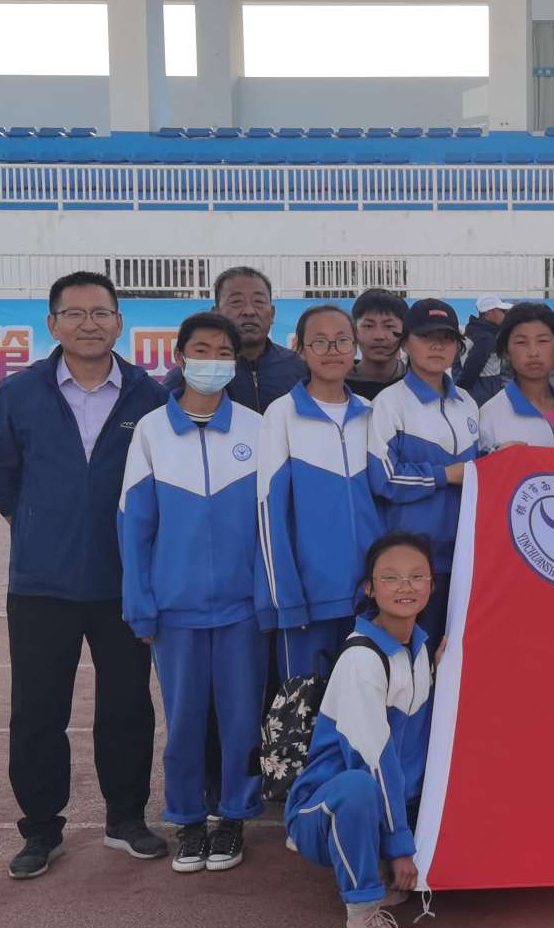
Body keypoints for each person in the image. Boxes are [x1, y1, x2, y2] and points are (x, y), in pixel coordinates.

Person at [0, 269, 169, 881]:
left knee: (127, 706)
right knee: (37, 710)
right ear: (53, 323)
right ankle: (41, 828)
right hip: (41, 583)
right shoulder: (19, 393)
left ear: (119, 322)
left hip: (123, 581)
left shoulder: (150, 396)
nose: (90, 324)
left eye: (101, 313)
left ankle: (126, 818)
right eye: (75, 313)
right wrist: (39, 524)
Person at [120, 311, 267, 874]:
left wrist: (268, 597)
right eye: (201, 350)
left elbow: (270, 524)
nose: (212, 361)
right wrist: (141, 603)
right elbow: (134, 524)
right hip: (174, 611)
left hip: (243, 610)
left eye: (223, 352)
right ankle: (186, 819)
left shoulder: (256, 428)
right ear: (180, 358)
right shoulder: (151, 431)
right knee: (183, 721)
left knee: (240, 720)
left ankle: (233, 816)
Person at [285, 532, 439, 928]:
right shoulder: (361, 659)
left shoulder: (420, 649)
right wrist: (400, 846)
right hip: (326, 809)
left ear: (432, 584)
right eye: (390, 578)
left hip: (388, 806)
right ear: (370, 588)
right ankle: (362, 916)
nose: (405, 586)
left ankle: (382, 862)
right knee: (357, 786)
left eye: (416, 576)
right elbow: (372, 761)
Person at [256, 304, 382, 682]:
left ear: (354, 347)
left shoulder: (371, 412)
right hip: (308, 602)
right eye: (320, 342)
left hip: (368, 597)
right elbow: (269, 512)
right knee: (305, 709)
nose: (332, 351)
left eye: (342, 341)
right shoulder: (282, 414)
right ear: (300, 349)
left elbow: (385, 501)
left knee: (363, 702)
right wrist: (286, 599)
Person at [365, 298, 480, 645]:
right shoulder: (389, 403)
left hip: (463, 559)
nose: (437, 346)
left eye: (446, 338)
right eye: (426, 336)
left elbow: (477, 472)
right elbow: (384, 478)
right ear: (405, 344)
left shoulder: (468, 404)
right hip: (411, 565)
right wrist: (446, 475)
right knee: (410, 654)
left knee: (454, 655)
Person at [164, 265, 304, 413]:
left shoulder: (298, 368)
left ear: (272, 313)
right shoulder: (191, 374)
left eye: (259, 301)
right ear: (216, 313)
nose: (249, 311)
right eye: (236, 301)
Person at [477, 302, 554, 448]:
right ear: (506, 350)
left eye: (542, 341)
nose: (533, 352)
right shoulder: (490, 415)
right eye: (521, 342)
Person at [347, 290, 409, 401]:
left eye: (389, 326)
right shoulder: (338, 384)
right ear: (354, 331)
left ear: (404, 332)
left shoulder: (415, 382)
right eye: (368, 326)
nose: (379, 336)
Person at [456, 294, 511, 403]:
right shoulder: (485, 337)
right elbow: (473, 367)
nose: (504, 315)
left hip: (479, 391)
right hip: (484, 393)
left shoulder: (475, 330)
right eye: (502, 311)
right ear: (489, 312)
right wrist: (461, 390)